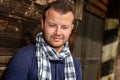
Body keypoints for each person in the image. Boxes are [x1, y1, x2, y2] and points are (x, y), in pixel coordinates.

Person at [4, 1, 82, 80]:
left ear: (71, 28)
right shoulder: (24, 58)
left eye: (64, 27)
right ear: (42, 24)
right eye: (52, 25)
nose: (58, 33)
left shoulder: (75, 65)